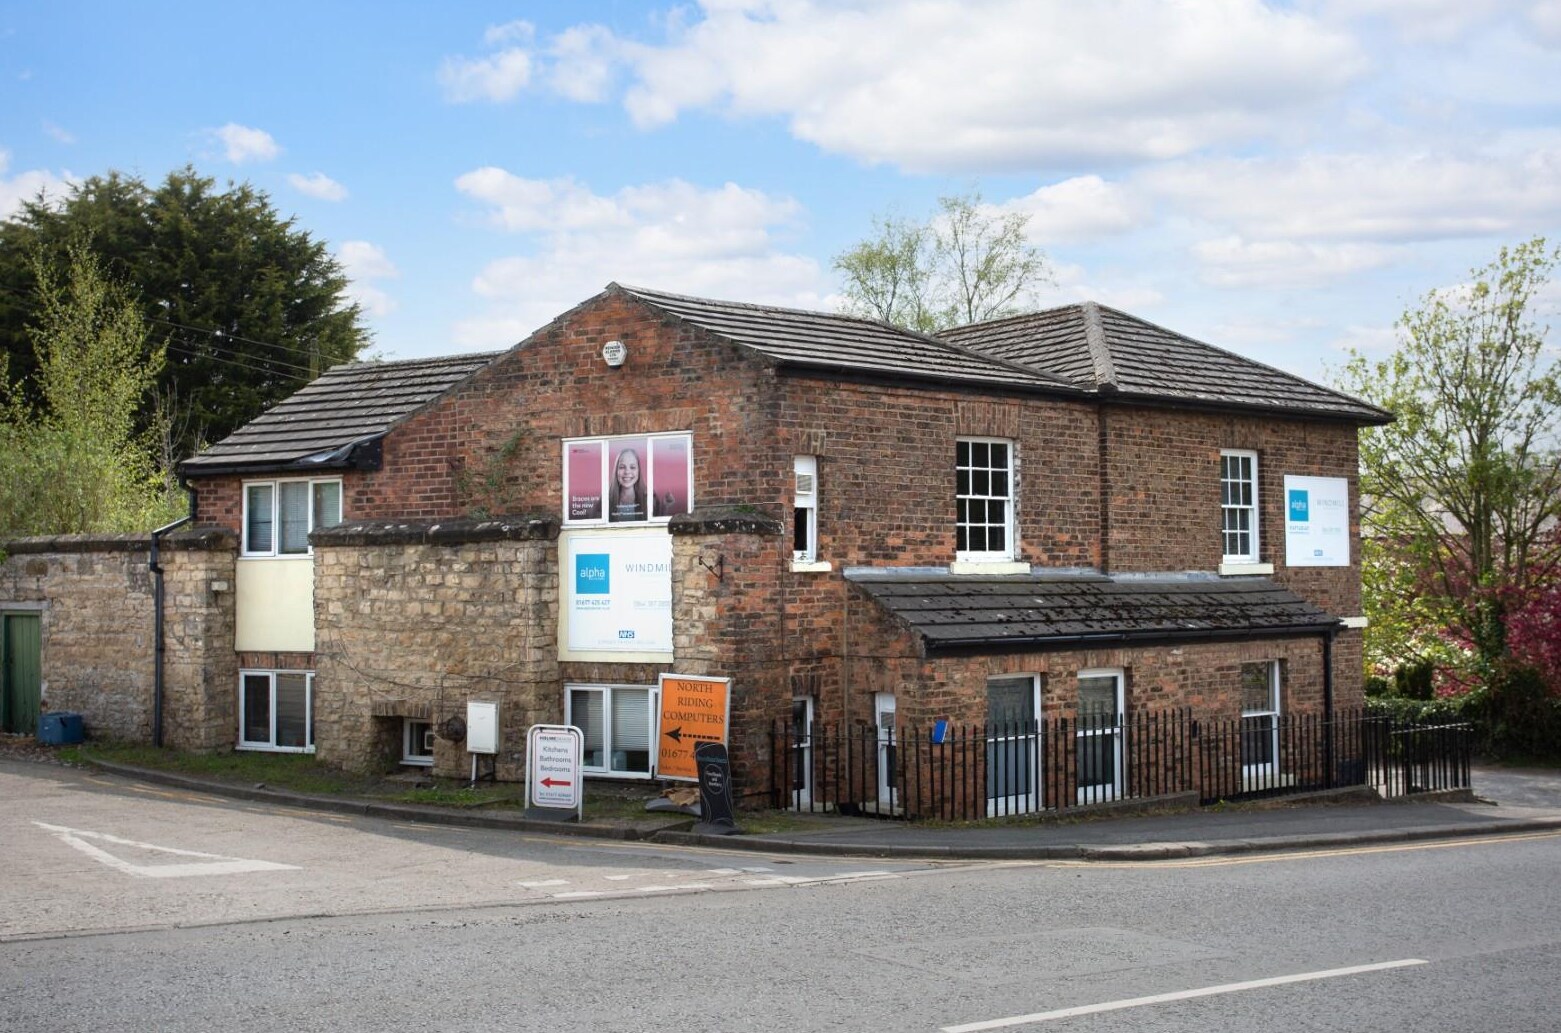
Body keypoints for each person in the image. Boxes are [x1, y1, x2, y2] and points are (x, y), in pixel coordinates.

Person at [608, 447, 648, 522]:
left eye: (632, 467)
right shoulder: (606, 500)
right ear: (616, 471)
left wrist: (665, 507)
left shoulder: (649, 499)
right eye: (622, 467)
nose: (627, 472)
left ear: (638, 471)